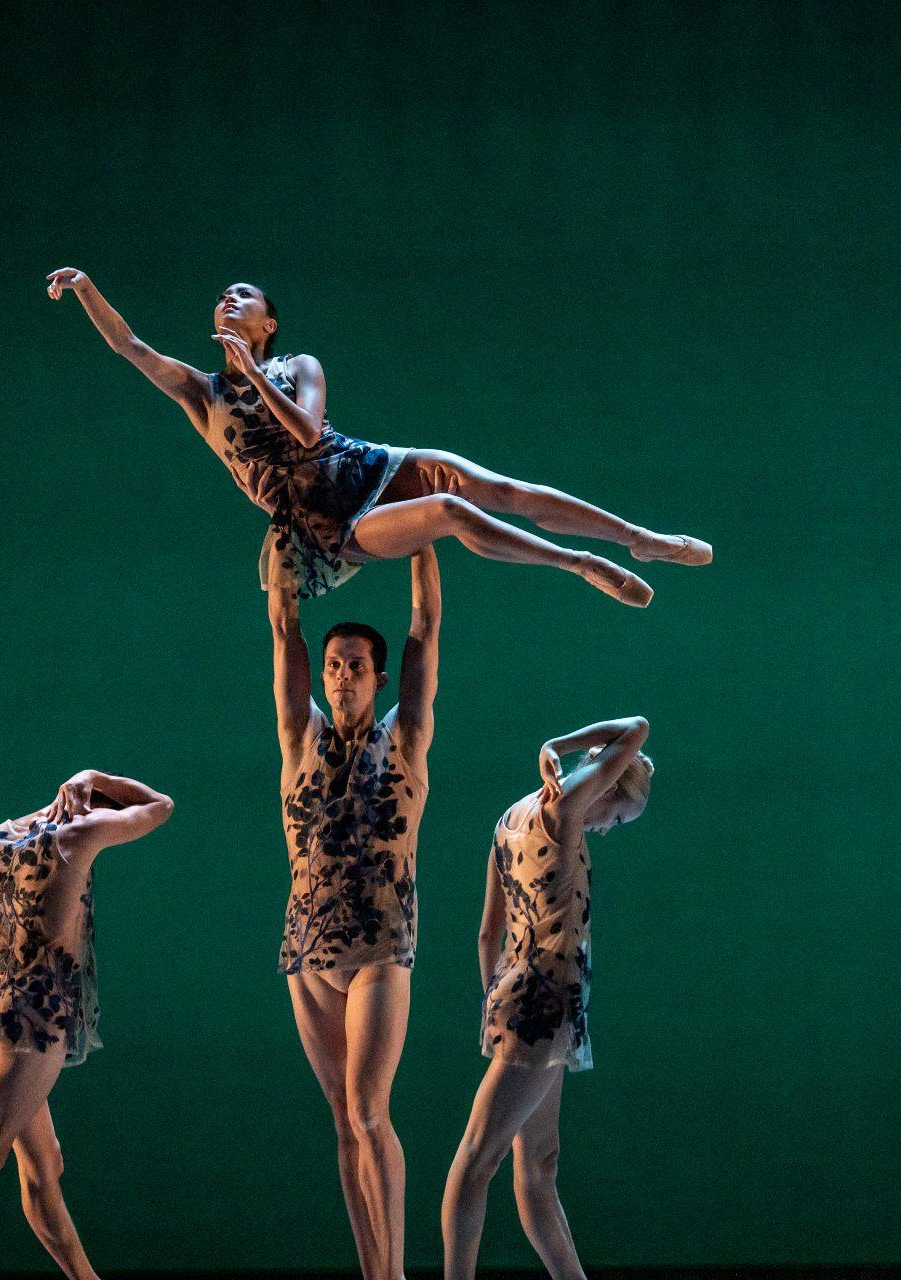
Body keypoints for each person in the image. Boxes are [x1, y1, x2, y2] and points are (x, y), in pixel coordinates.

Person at [46, 271, 712, 605]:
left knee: (495, 486)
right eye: (221, 296)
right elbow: (132, 347)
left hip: (359, 464)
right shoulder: (204, 392)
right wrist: (84, 288)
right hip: (323, 520)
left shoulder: (294, 364)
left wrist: (256, 372)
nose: (228, 300)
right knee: (453, 514)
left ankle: (638, 537)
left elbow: (308, 430)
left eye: (242, 295)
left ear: (268, 322)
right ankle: (578, 564)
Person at [0, 770, 173, 1280]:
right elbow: (160, 805)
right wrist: (93, 777)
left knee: (44, 1167)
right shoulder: (79, 833)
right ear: (93, 804)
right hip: (38, 1023)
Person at [271, 547, 441, 1280]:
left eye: (354, 666)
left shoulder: (403, 738)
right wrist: (283, 539)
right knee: (344, 1124)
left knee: (371, 1112)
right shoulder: (298, 737)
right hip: (306, 951)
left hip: (378, 947)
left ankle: (397, 1272)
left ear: (376, 679)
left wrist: (424, 533)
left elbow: (424, 630)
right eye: (333, 664)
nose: (340, 674)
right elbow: (283, 629)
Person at [442, 715, 651, 1280]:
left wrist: (496, 1005)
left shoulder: (510, 817)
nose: (610, 827)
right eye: (619, 815)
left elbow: (488, 934)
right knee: (477, 1159)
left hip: (525, 1002)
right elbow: (637, 727)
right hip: (541, 1005)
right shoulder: (564, 812)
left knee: (538, 1164)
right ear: (605, 789)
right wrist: (555, 744)